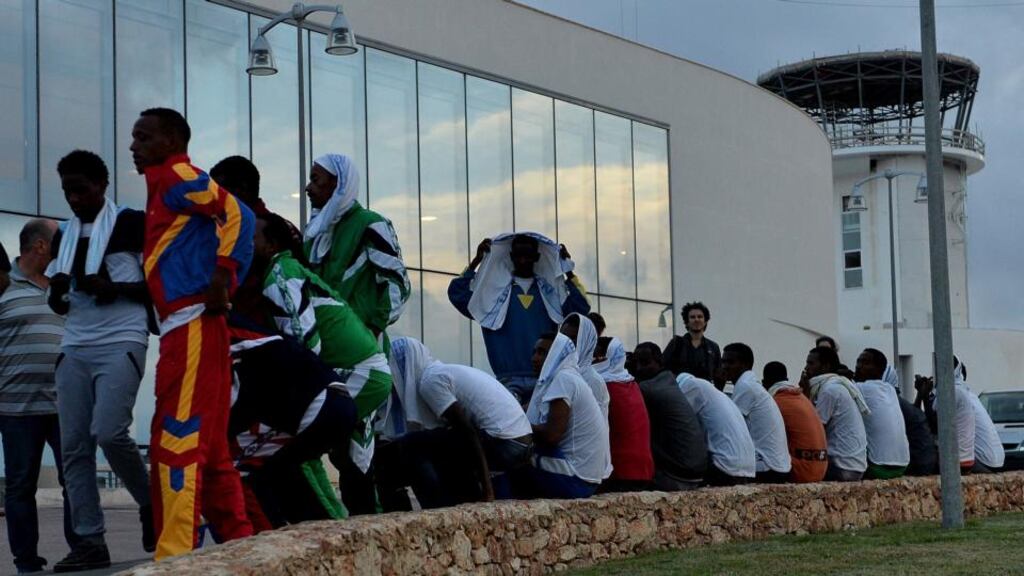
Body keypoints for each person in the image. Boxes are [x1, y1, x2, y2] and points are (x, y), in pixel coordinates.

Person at [131, 107, 254, 559]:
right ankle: (241, 549)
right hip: (189, 327)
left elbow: (238, 214)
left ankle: (174, 556)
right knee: (214, 451)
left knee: (176, 438)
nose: (134, 146)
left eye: (143, 137)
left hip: (192, 326)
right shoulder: (165, 184)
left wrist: (223, 277)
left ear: (170, 141)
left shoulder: (177, 175)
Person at [44, 151, 154, 572]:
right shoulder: (64, 235)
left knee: (108, 431)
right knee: (73, 447)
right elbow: (60, 302)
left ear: (102, 185)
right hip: (75, 343)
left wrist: (116, 289)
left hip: (122, 338)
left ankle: (148, 503)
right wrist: (56, 293)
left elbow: (155, 286)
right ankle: (90, 541)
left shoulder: (131, 223)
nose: (74, 198)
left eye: (81, 189)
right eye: (67, 191)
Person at [253, 213, 392, 514]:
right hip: (361, 371)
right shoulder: (288, 269)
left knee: (299, 439)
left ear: (270, 245)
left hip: (358, 373)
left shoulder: (281, 274)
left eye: (250, 237)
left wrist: (301, 393)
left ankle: (330, 524)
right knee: (354, 458)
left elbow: (303, 339)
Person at [0, 219, 79, 574]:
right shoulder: (3, 286)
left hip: (66, 404)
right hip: (15, 406)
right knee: (20, 485)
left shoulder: (64, 288)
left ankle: (82, 550)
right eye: (57, 241)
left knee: (74, 481)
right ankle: (26, 562)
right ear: (40, 246)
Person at [226, 322, 356, 530]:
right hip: (334, 399)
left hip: (314, 405)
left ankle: (267, 544)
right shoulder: (251, 333)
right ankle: (315, 536)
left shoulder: (220, 336)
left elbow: (240, 403)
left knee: (240, 468)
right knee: (280, 470)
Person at [377, 338, 533, 508]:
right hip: (520, 444)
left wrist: (488, 491)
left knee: (412, 444)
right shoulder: (442, 372)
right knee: (440, 448)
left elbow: (468, 432)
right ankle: (465, 502)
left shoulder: (430, 382)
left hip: (505, 444)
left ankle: (436, 511)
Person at [449, 235, 591, 403]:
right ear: (511, 256)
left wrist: (567, 269)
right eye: (518, 255)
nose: (523, 260)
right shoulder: (492, 294)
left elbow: (581, 308)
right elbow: (458, 294)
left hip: (543, 379)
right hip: (507, 381)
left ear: (537, 257)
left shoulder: (550, 292)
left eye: (528, 255)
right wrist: (476, 262)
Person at [303, 153, 410, 341]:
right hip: (322, 347)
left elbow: (396, 283)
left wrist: (372, 330)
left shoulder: (370, 224)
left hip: (361, 351)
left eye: (315, 179)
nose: (308, 188)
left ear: (338, 183)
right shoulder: (314, 234)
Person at [210, 156, 302, 325]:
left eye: (220, 192)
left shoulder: (263, 231)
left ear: (242, 189)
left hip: (262, 332)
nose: (215, 199)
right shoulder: (274, 227)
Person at [519, 333, 609, 499]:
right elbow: (527, 408)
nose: (534, 358)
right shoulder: (564, 378)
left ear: (556, 355)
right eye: (534, 352)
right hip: (585, 479)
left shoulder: (563, 379)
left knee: (513, 452)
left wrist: (518, 424)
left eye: (542, 353)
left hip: (575, 480)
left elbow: (552, 435)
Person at [632, 343, 707, 490]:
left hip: (678, 476)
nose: (640, 368)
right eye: (636, 363)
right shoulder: (669, 381)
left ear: (659, 361)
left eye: (645, 362)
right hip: (697, 470)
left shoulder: (648, 389)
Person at [721, 343, 791, 483]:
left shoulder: (745, 387)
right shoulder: (749, 384)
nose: (724, 366)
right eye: (723, 362)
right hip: (778, 466)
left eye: (730, 362)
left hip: (768, 467)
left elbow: (729, 430)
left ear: (745, 364)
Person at [676, 371, 756, 486]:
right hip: (747, 468)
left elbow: (678, 423)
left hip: (725, 466)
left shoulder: (690, 386)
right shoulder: (717, 394)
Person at [801, 346, 868, 482]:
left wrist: (805, 396)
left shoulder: (830, 390)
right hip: (855, 467)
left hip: (842, 467)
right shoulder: (837, 385)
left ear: (825, 366)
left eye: (811, 363)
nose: (806, 368)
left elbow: (815, 433)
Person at [594, 337, 653, 491]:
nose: (592, 360)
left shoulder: (603, 386)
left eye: (596, 356)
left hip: (620, 471)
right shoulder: (630, 382)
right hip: (643, 470)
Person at [761, 361, 827, 483]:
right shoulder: (801, 398)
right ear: (786, 379)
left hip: (801, 471)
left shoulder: (775, 402)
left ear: (764, 383)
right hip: (821, 469)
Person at [853, 349, 910, 480]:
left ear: (879, 369)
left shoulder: (861, 388)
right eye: (858, 362)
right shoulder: (890, 389)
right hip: (903, 466)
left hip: (878, 467)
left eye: (865, 363)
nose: (858, 366)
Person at [953, 360, 1005, 473]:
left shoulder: (957, 393)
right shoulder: (970, 395)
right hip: (997, 460)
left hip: (983, 461)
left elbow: (934, 422)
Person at [558, 313, 609, 421]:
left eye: (573, 339)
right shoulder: (558, 369)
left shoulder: (592, 380)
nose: (567, 344)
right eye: (563, 338)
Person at [663, 302, 721, 381]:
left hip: (704, 391)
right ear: (687, 322)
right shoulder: (676, 344)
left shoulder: (713, 347)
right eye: (692, 317)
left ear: (705, 321)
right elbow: (664, 369)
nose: (696, 319)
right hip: (681, 390)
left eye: (700, 317)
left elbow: (718, 374)